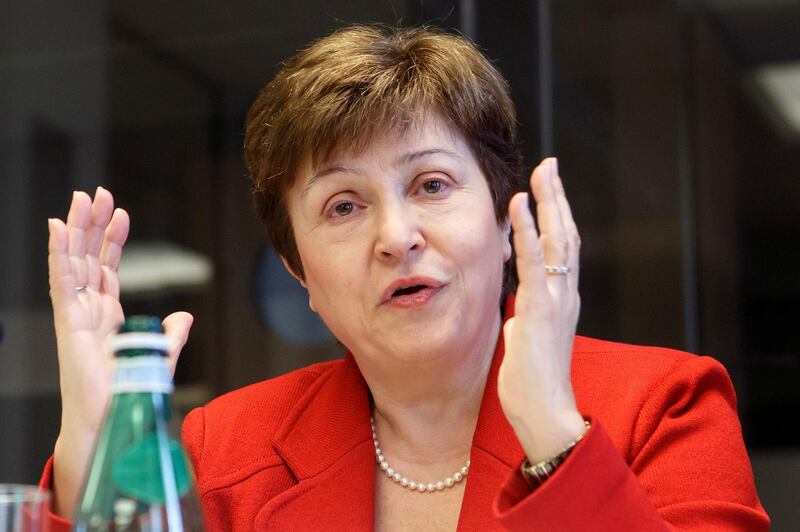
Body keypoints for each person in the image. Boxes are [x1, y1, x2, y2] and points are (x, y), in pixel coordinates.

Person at [42, 25, 769, 531]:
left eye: (431, 184)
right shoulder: (219, 450)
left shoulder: (666, 406)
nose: (396, 237)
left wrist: (553, 437)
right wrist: (93, 458)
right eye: (344, 205)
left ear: (500, 218)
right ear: (300, 271)